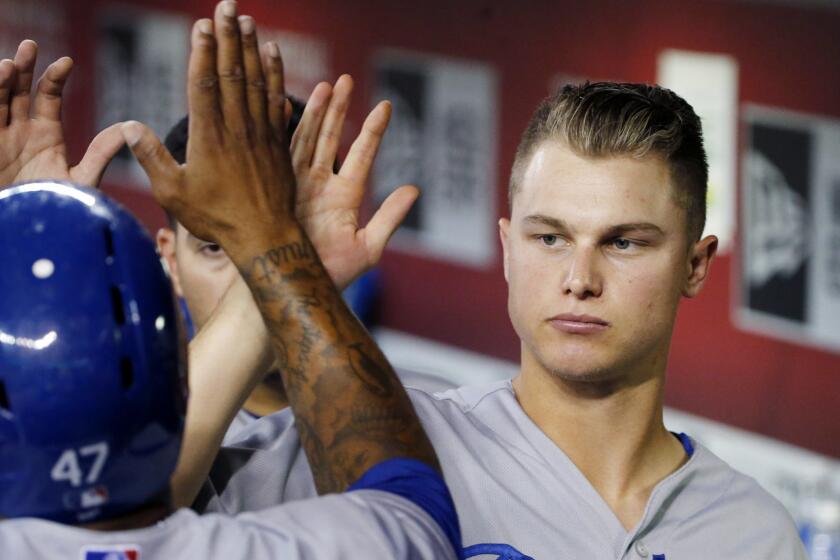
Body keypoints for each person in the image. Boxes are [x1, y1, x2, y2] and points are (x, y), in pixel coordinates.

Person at [193, 78, 808, 558]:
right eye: (550, 239)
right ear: (509, 249)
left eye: (624, 243)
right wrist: (274, 275)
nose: (580, 280)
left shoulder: (755, 535)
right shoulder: (388, 449)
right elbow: (126, 508)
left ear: (696, 266)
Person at [0, 3, 461, 558]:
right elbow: (411, 510)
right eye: (216, 244)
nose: (247, 269)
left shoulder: (443, 418)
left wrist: (36, 273)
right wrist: (280, 250)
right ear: (163, 257)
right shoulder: (385, 468)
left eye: (245, 242)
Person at [156, 79, 453, 445]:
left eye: (284, 241)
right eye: (215, 248)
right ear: (171, 259)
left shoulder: (437, 420)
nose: (255, 279)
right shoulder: (124, 437)